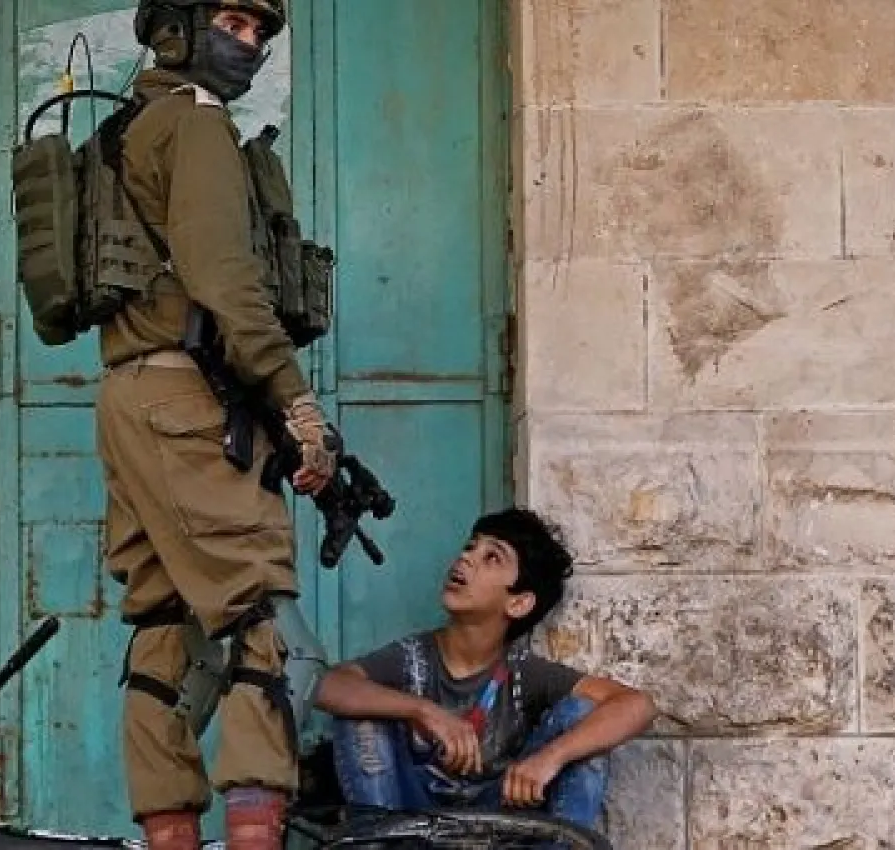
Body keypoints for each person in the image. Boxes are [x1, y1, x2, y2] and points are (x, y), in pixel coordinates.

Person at [95, 2, 333, 849]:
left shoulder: (126, 130)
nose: (252, 44)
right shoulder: (196, 126)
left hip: (132, 396)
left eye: (262, 32)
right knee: (259, 633)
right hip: (190, 400)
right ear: (179, 28)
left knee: (164, 633)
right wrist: (296, 403)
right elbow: (226, 281)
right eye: (233, 22)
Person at [312, 508, 658, 830]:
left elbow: (636, 705)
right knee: (359, 711)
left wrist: (550, 759)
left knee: (583, 718)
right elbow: (327, 685)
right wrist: (422, 710)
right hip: (406, 825)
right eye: (469, 548)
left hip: (497, 828)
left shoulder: (522, 674)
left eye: (491, 557)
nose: (465, 558)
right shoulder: (413, 657)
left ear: (519, 602)